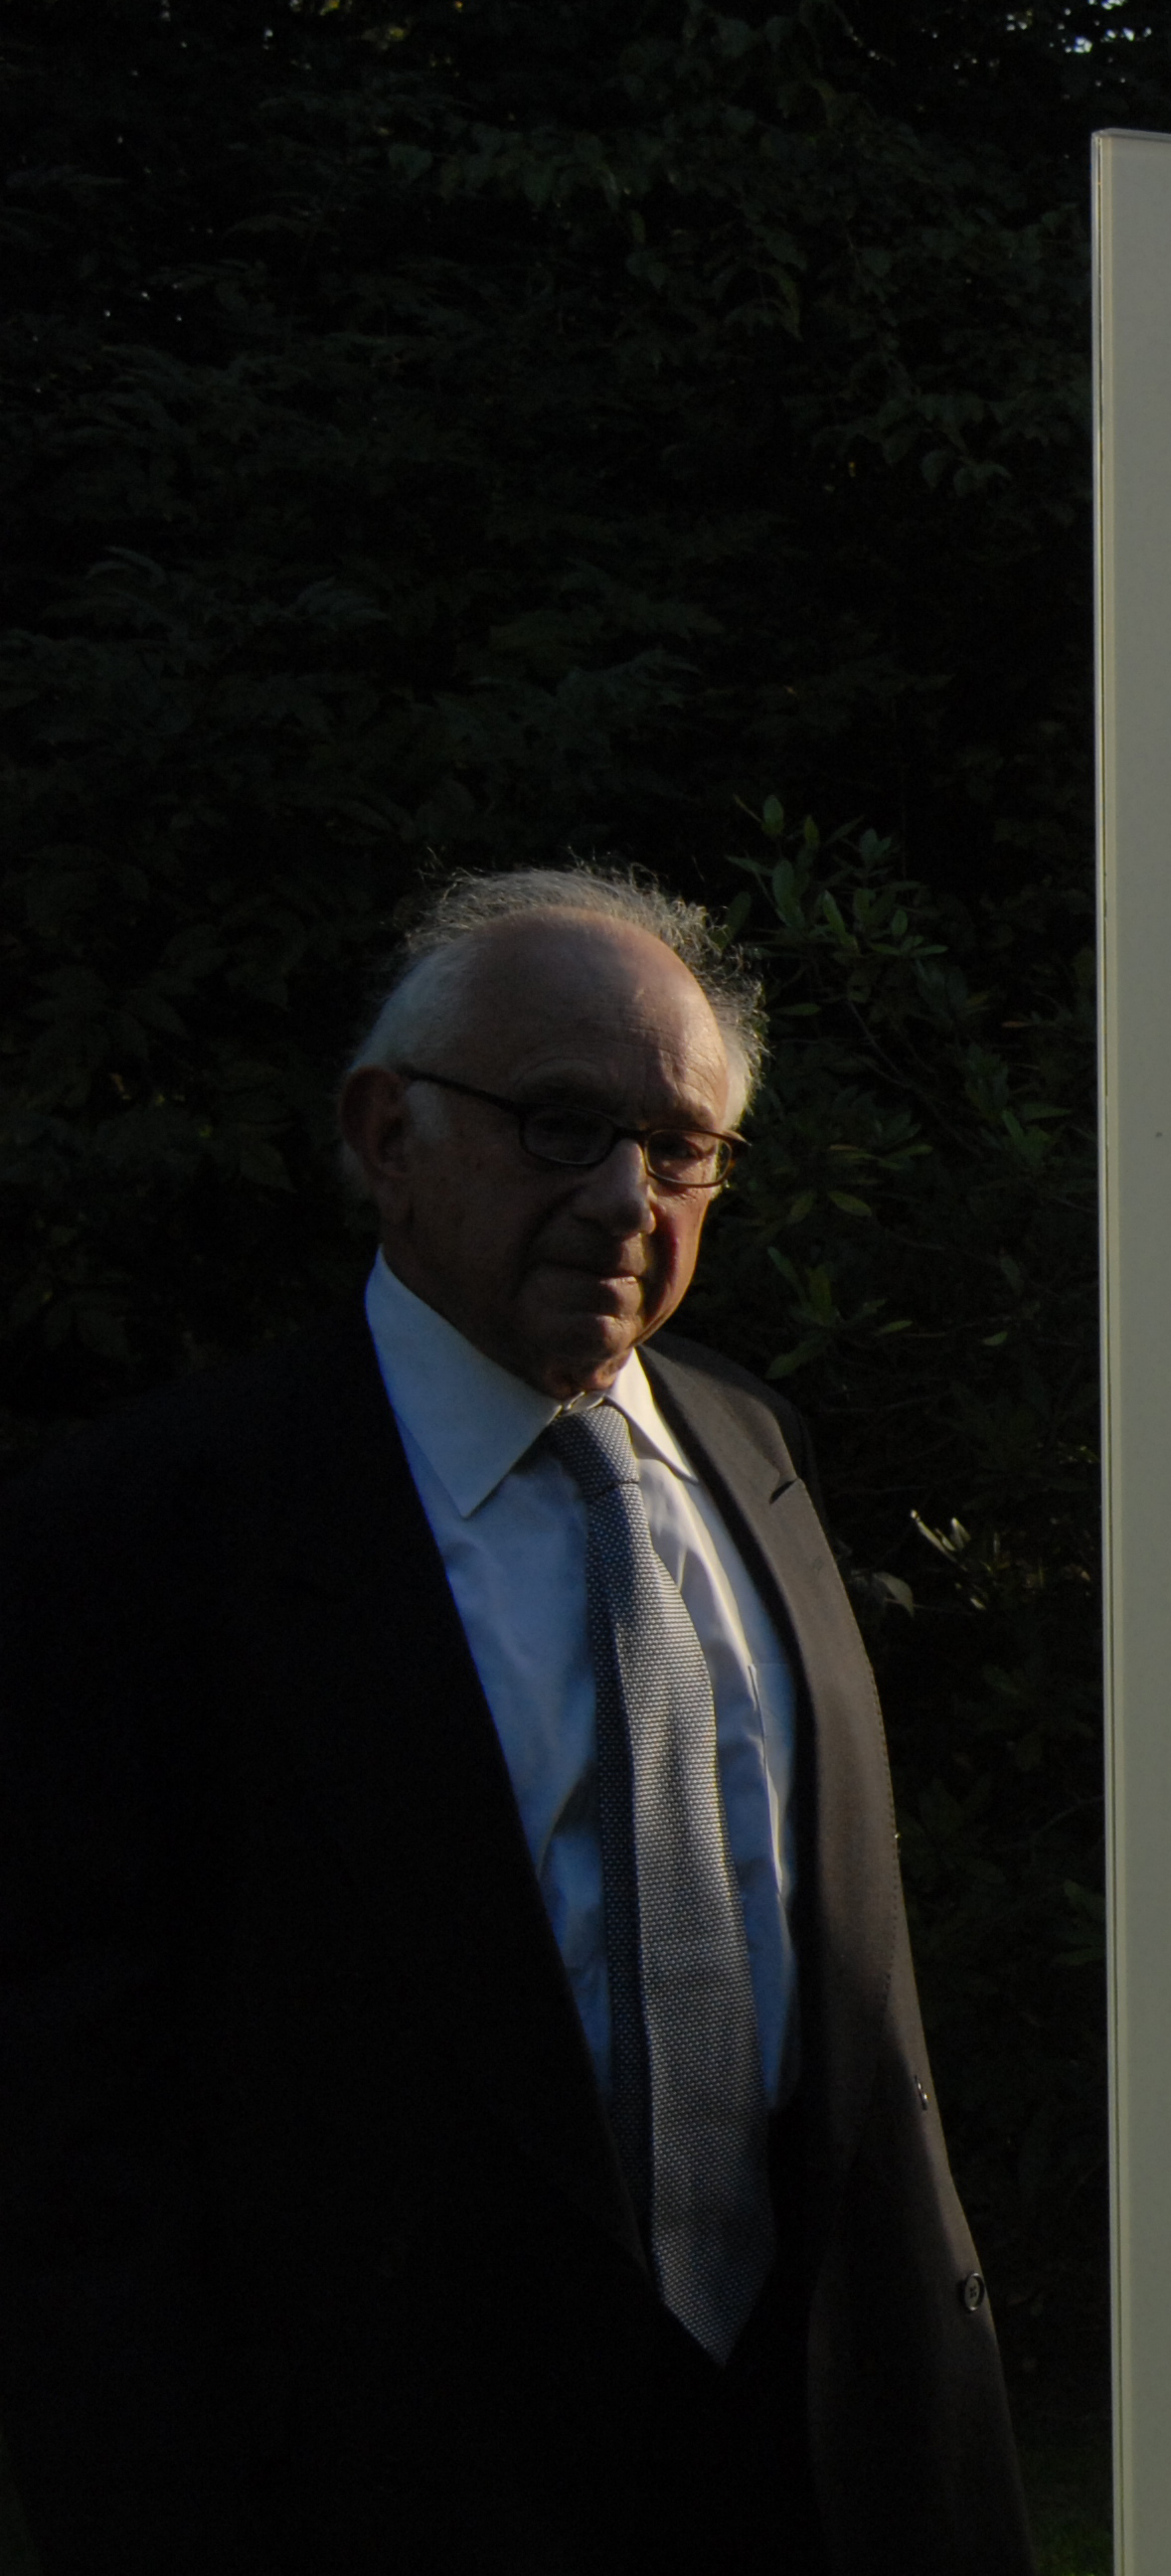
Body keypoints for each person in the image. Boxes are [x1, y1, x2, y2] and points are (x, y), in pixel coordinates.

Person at [0, 870, 1032, 2573]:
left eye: (680, 1148)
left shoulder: (753, 1448)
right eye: (562, 1125)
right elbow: (69, 2145)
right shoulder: (149, 1532)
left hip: (825, 2472)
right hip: (396, 2485)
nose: (629, 1196)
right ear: (386, 1131)